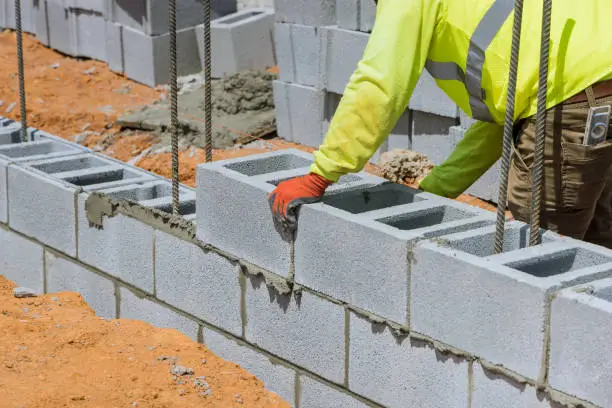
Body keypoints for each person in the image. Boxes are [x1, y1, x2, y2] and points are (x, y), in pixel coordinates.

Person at [268, 0, 612, 248]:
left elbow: (379, 84)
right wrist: (436, 189)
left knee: (542, 255)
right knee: (599, 238)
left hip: (574, 102)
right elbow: (501, 123)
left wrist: (320, 176)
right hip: (591, 87)